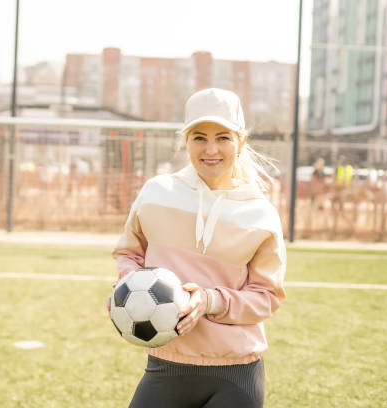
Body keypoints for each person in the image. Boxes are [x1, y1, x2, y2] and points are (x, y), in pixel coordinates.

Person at [108, 88, 286, 408]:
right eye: (199, 137)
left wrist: (208, 300)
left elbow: (267, 297)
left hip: (237, 374)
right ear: (186, 141)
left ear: (241, 142)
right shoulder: (156, 193)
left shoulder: (261, 215)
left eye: (223, 137)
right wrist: (129, 284)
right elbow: (129, 253)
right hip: (167, 368)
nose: (211, 149)